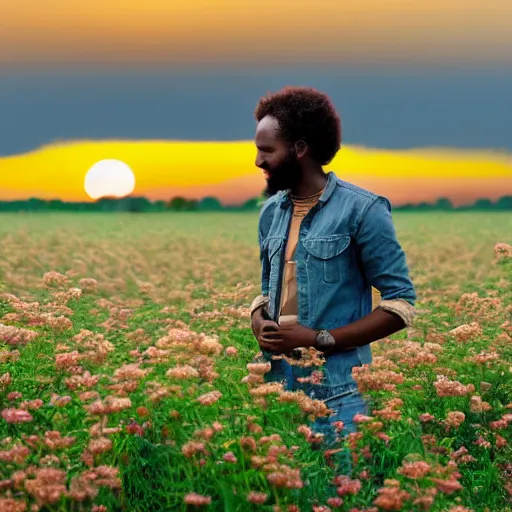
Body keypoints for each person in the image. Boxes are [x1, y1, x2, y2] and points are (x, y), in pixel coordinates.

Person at [249, 86, 416, 467]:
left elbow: (400, 304)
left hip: (340, 392)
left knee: (338, 493)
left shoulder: (363, 210)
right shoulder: (270, 212)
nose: (258, 161)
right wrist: (258, 319)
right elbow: (269, 287)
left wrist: (319, 339)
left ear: (300, 149)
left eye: (267, 150)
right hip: (277, 386)